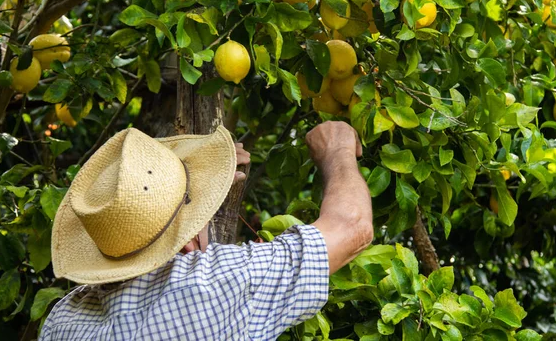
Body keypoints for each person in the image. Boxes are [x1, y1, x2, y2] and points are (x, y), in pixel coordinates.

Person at [39, 121, 373, 340]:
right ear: (186, 239)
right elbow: (351, 226)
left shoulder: (63, 320)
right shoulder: (208, 287)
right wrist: (337, 151)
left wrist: (187, 196)